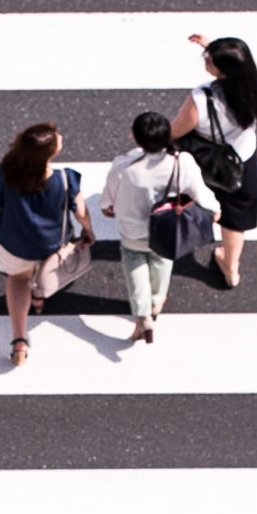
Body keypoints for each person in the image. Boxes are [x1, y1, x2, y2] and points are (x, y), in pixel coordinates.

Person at [0, 121, 93, 368]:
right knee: (44, 270)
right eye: (58, 137)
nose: (61, 136)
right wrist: (89, 231)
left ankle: (19, 340)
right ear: (51, 153)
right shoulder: (65, 179)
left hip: (14, 243)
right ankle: (39, 294)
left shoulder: (5, 174)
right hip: (53, 243)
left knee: (18, 279)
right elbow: (80, 211)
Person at [100, 108, 216, 342]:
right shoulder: (182, 162)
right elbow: (201, 193)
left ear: (135, 137)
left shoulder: (123, 166)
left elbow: (107, 201)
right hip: (167, 229)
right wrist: (214, 211)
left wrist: (108, 208)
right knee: (163, 260)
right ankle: (156, 301)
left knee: (134, 263)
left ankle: (142, 314)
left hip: (133, 230)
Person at [166, 32, 257, 288]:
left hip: (204, 160)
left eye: (210, 60)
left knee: (186, 198)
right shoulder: (253, 90)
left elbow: (176, 131)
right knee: (235, 218)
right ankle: (231, 268)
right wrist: (213, 47)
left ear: (221, 70)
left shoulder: (202, 98)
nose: (205, 62)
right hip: (240, 160)